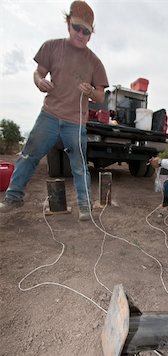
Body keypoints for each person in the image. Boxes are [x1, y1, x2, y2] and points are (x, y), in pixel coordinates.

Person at [0, 1, 109, 220]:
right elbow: (38, 73)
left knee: (79, 166)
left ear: (91, 34)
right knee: (29, 155)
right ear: (68, 24)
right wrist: (40, 82)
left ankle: (85, 207)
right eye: (76, 27)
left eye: (85, 31)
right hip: (49, 115)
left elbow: (100, 96)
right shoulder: (51, 47)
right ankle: (13, 197)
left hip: (75, 122)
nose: (80, 33)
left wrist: (90, 91)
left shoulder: (95, 62)